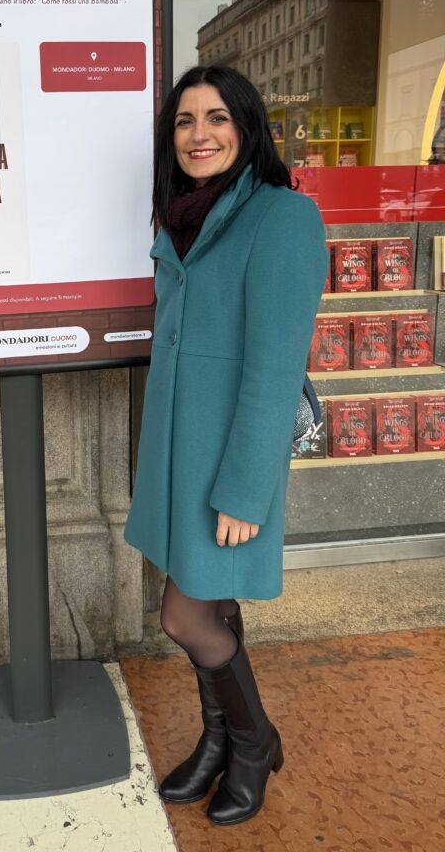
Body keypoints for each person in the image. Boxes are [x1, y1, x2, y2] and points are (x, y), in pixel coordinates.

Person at [124, 65, 327, 826]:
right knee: (206, 606)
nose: (198, 135)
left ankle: (252, 741)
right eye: (183, 121)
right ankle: (218, 740)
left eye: (215, 118)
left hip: (227, 464)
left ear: (246, 127)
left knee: (186, 618)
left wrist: (245, 490)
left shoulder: (281, 217)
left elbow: (277, 368)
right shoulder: (182, 215)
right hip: (178, 455)